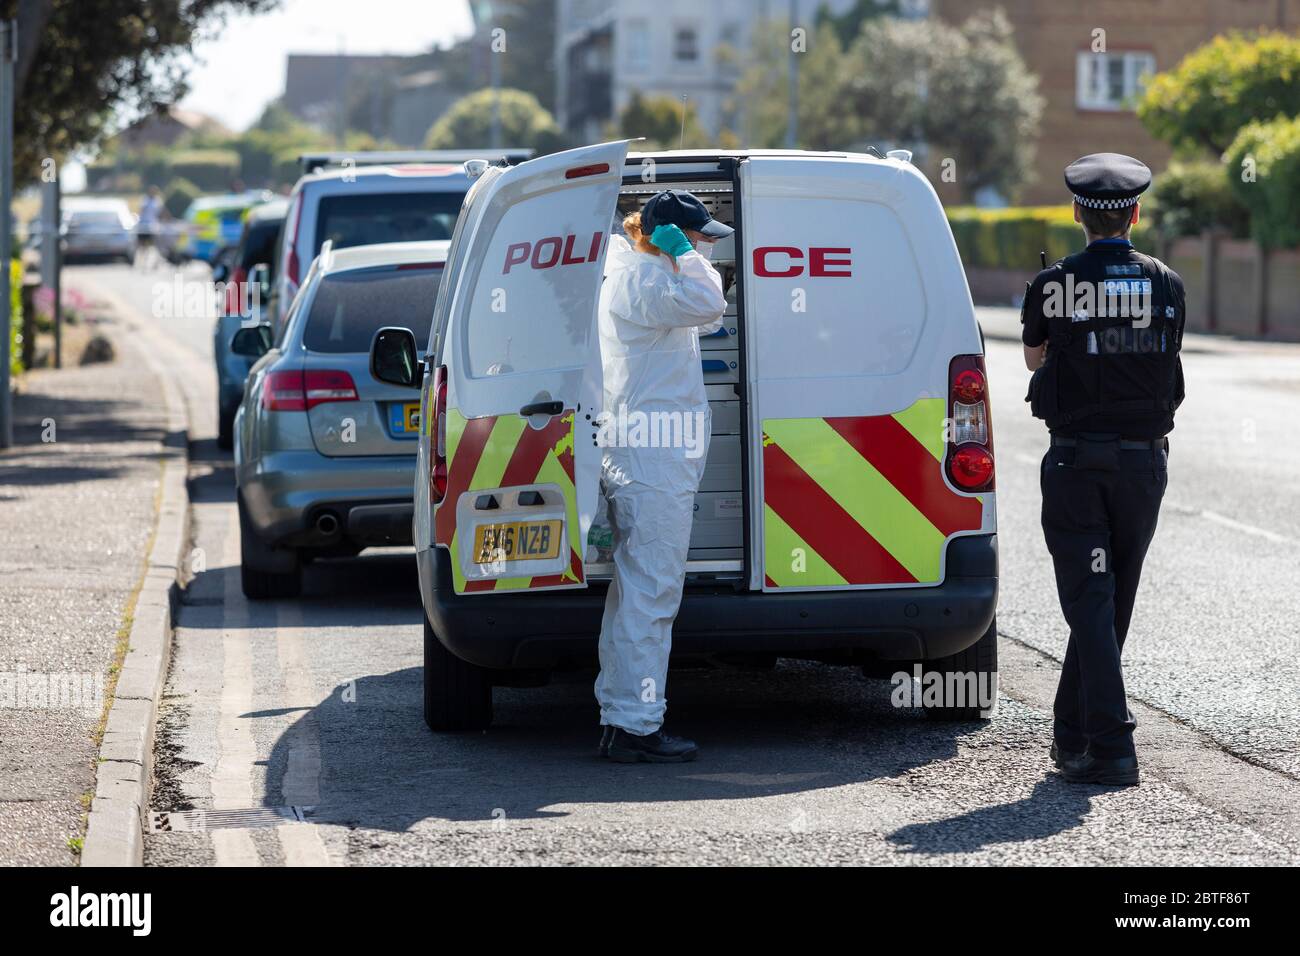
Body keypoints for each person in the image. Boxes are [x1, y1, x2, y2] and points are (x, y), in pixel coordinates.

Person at [1022, 153, 1186, 787]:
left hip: (1075, 463)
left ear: (1076, 214)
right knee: (1108, 600)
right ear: (1136, 214)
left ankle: (1113, 745)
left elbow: (1034, 359)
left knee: (1092, 599)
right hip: (1143, 467)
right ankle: (1073, 734)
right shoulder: (1167, 283)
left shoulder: (1053, 284)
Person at [593, 189, 730, 763]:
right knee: (651, 593)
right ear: (669, 237)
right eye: (697, 235)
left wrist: (677, 254)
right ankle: (634, 726)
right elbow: (708, 301)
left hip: (647, 453)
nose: (704, 244)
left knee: (636, 592)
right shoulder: (649, 283)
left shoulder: (640, 276)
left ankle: (624, 716)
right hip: (652, 460)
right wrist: (685, 255)